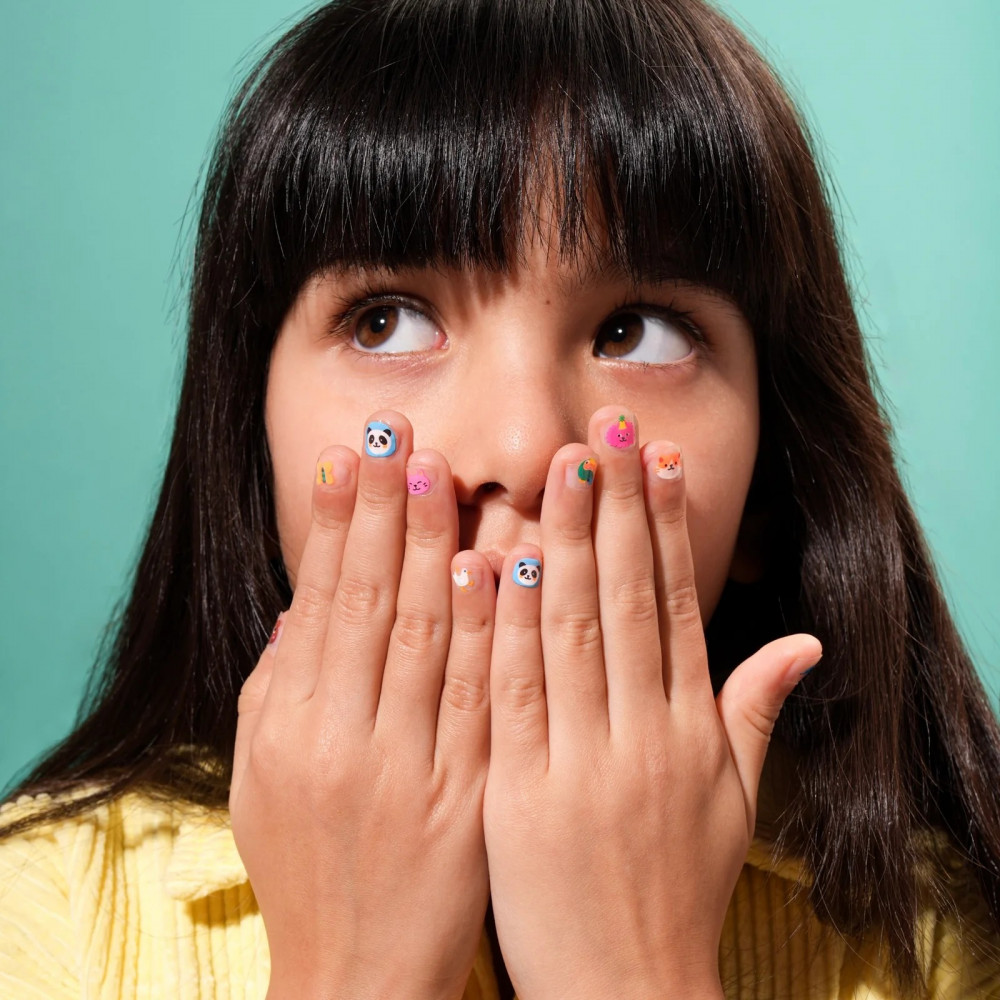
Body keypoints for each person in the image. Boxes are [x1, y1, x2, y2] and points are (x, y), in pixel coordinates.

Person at [2, 0, 998, 997]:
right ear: (249, 450)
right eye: (387, 321)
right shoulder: (43, 917)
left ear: (772, 488)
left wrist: (630, 972)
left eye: (635, 331)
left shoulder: (939, 947)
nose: (523, 450)